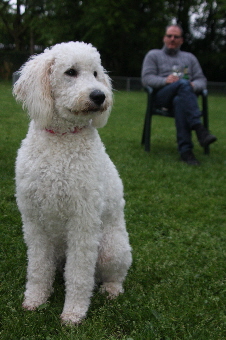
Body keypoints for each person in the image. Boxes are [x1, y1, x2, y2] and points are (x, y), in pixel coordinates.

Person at [141, 24, 217, 165]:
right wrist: (165, 80)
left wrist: (194, 85)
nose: (172, 39)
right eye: (169, 36)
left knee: (180, 99)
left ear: (181, 40)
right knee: (183, 83)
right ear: (164, 38)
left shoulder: (190, 58)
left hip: (183, 98)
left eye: (176, 37)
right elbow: (146, 79)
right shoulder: (153, 55)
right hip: (161, 97)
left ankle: (186, 152)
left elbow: (202, 80)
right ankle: (199, 128)